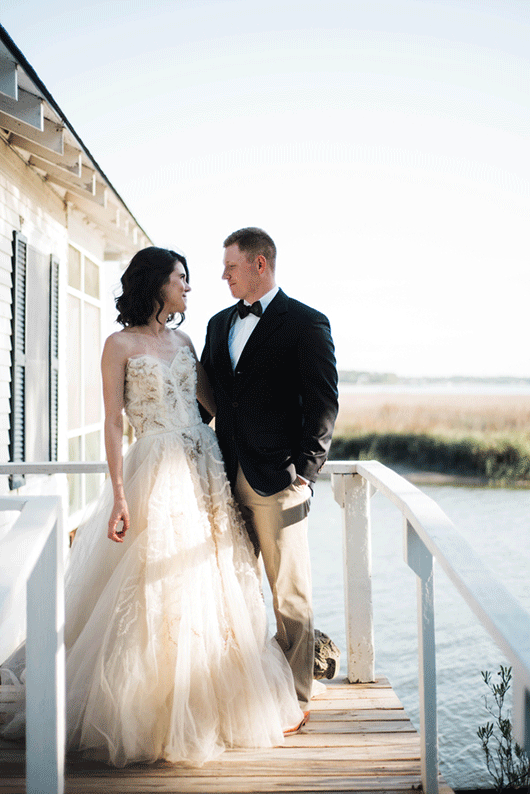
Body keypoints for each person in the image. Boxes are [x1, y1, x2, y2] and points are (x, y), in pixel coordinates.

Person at [0, 246, 304, 766]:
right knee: (151, 586)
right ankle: (150, 708)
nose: (189, 286)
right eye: (180, 278)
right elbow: (114, 424)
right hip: (154, 468)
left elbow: (217, 403)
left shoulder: (187, 339)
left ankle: (207, 703)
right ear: (156, 283)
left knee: (212, 579)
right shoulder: (118, 345)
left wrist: (277, 434)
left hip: (202, 464)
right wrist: (119, 494)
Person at [201, 228, 339, 729]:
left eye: (231, 266)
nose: (223, 275)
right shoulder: (218, 325)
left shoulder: (305, 323)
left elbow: (324, 402)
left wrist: (306, 472)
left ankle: (298, 697)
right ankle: (242, 689)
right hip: (223, 473)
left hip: (279, 479)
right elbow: (210, 398)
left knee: (289, 592)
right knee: (231, 587)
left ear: (261, 265)